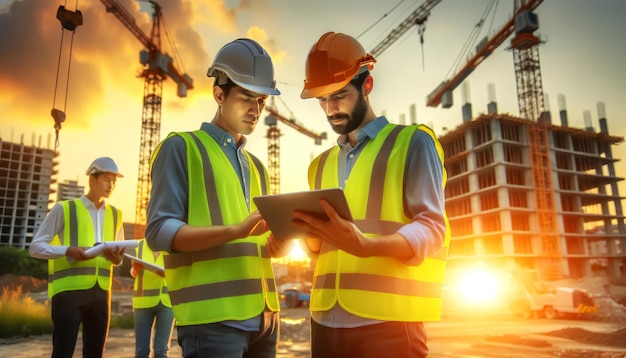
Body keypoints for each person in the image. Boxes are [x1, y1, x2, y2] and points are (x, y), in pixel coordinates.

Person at [294, 32, 451, 358]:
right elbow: (321, 251)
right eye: (322, 100)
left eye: (339, 95)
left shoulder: (411, 143)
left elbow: (433, 228)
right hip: (323, 322)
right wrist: (303, 233)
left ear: (367, 86)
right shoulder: (319, 165)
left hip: (388, 324)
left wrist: (367, 246)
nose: (330, 109)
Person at [145, 38, 293, 357]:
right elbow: (158, 232)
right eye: (246, 98)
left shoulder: (257, 167)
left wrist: (278, 244)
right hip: (212, 321)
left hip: (265, 317)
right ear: (219, 94)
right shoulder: (182, 148)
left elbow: (258, 241)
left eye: (262, 102)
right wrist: (235, 231)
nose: (255, 111)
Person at [29, 157, 126, 358]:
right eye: (107, 179)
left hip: (102, 294)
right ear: (92, 180)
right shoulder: (64, 209)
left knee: (95, 353)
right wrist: (67, 250)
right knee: (63, 352)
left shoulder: (116, 215)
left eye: (114, 181)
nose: (111, 185)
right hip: (68, 294)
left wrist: (117, 260)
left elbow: (120, 256)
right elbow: (35, 247)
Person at [130, 238, 175, 358]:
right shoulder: (138, 245)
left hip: (166, 301)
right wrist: (135, 269)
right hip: (143, 301)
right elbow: (133, 272)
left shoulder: (172, 245)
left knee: (161, 350)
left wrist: (168, 273)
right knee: (141, 351)